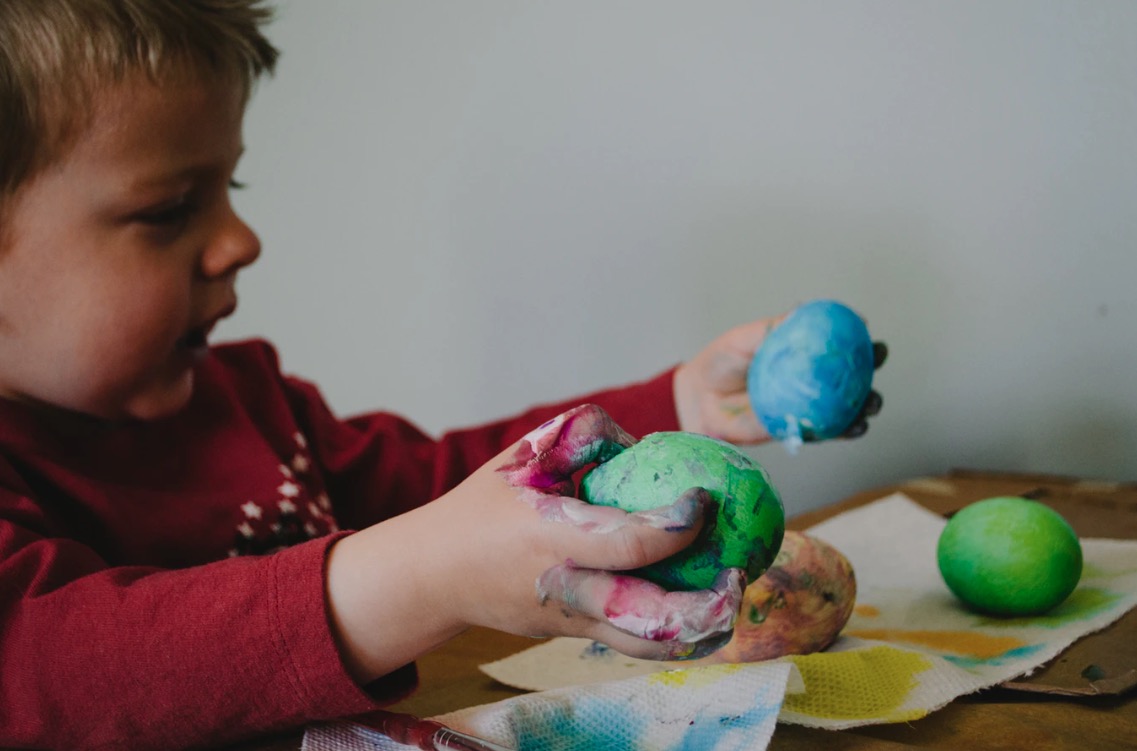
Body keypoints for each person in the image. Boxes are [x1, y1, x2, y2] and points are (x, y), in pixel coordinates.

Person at [0, 2, 885, 749]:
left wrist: (675, 409)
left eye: (233, 186)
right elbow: (42, 664)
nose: (241, 241)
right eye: (169, 209)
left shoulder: (255, 409)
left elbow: (450, 495)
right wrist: (421, 576)